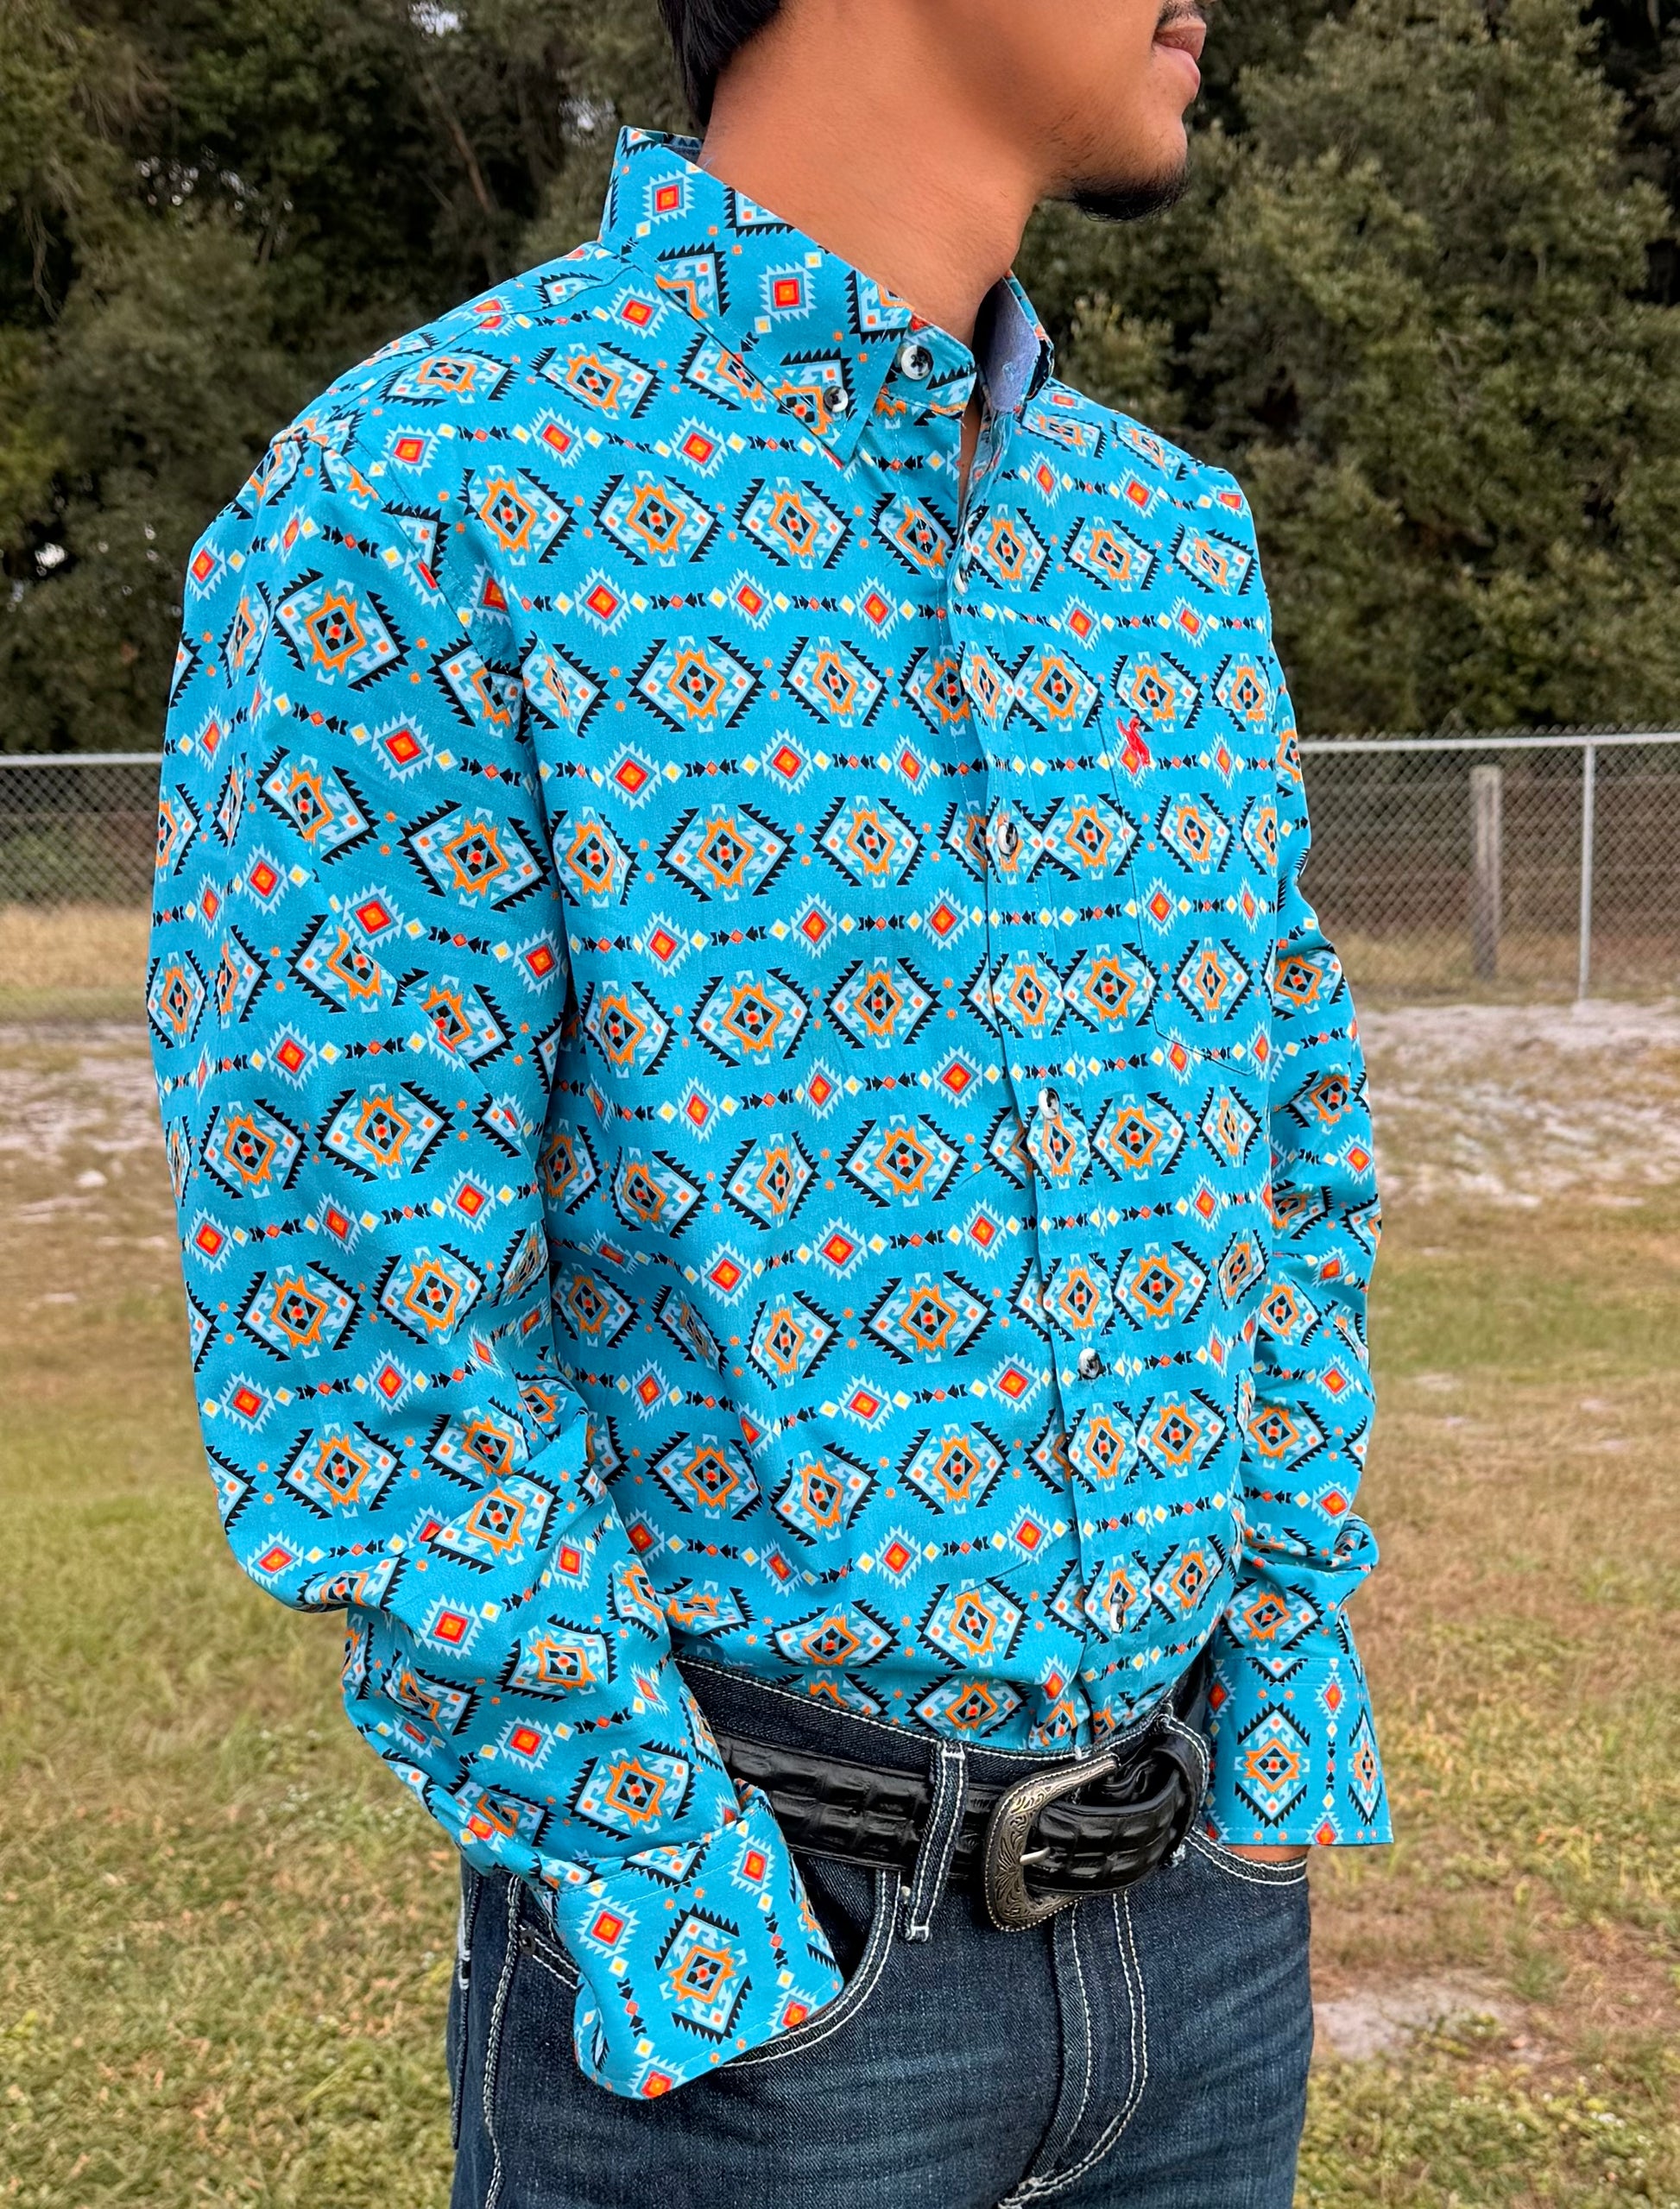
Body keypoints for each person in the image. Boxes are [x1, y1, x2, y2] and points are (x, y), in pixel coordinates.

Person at [147, 0, 1389, 2200]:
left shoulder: (1169, 541)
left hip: (1198, 1945)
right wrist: (686, 1899)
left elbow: (1288, 1159)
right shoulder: (427, 499)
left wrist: (1275, 1698)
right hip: (757, 2010)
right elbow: (363, 1316)